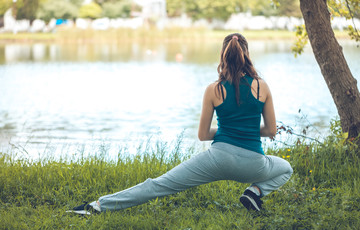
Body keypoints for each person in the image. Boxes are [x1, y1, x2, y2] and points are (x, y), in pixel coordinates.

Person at [70, 33, 293, 215]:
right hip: (253, 165)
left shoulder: (213, 89)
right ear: (247, 55)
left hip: (217, 159)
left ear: (223, 56)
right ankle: (254, 192)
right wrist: (244, 131)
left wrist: (227, 132)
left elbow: (203, 135)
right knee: (286, 168)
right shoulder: (262, 87)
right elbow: (271, 130)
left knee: (159, 184)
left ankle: (96, 207)